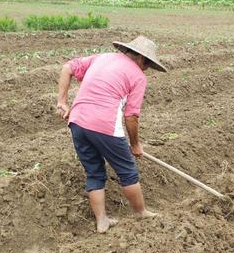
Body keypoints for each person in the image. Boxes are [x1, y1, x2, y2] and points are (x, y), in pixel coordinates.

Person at [56, 36, 167, 233]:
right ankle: (141, 212)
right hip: (105, 125)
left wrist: (62, 102)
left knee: (94, 172)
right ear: (142, 59)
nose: (146, 68)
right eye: (148, 64)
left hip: (77, 121)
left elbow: (68, 68)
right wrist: (135, 145)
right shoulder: (138, 77)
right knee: (127, 170)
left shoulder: (102, 57)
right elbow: (131, 115)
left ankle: (102, 221)